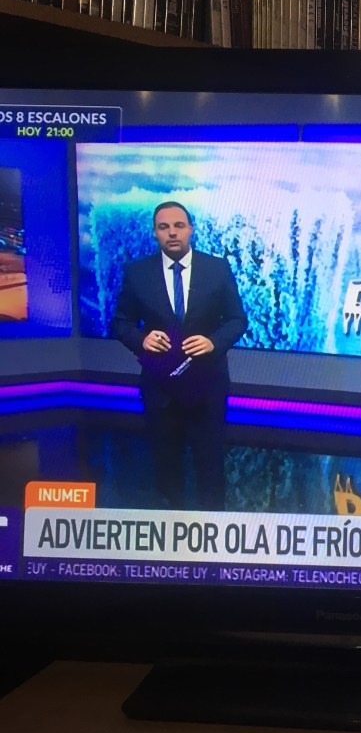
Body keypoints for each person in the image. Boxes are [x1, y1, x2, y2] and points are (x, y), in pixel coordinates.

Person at [112, 201, 247, 510]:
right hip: (160, 388)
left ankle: (212, 530)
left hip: (207, 386)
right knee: (166, 468)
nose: (172, 232)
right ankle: (171, 530)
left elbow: (237, 320)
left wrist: (213, 342)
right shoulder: (137, 272)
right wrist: (142, 339)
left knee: (210, 468)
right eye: (164, 227)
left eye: (178, 226)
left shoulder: (217, 268)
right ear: (155, 233)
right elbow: (120, 322)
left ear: (190, 230)